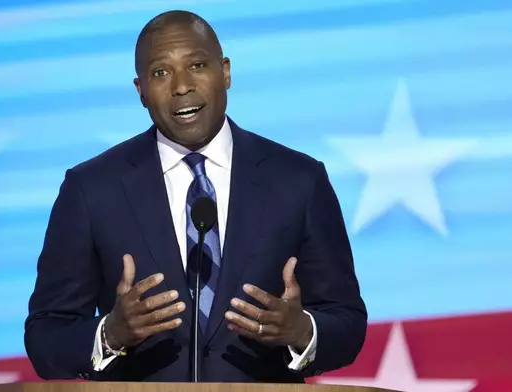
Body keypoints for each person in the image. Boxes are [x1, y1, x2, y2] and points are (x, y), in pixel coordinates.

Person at [24, 9, 367, 383]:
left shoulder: (299, 180)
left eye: (197, 65)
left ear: (226, 72)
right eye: (160, 73)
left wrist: (303, 331)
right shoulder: (91, 189)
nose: (181, 86)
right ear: (140, 91)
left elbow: (347, 321)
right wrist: (110, 334)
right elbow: (45, 337)